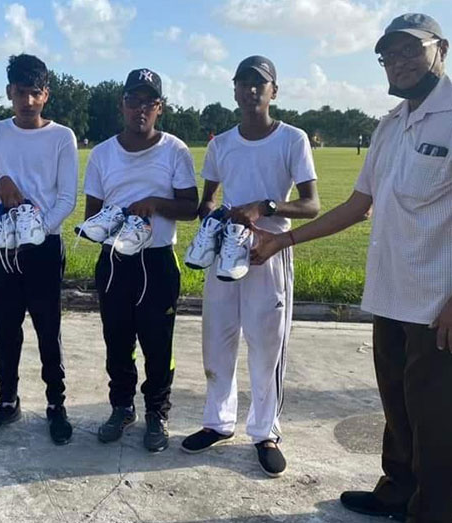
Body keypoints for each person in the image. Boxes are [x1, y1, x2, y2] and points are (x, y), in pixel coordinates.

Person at [253, 13, 452, 522]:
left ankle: (431, 514)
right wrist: (284, 240)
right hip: (392, 294)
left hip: (445, 301)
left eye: (412, 50)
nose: (400, 62)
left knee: (439, 420)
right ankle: (396, 492)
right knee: (400, 408)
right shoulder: (389, 126)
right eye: (390, 53)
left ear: (441, 50)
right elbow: (357, 205)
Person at [181, 56, 319, 478]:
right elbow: (209, 199)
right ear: (235, 89)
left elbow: (312, 205)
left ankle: (264, 432)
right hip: (226, 250)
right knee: (217, 340)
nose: (251, 90)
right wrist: (210, 216)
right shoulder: (221, 143)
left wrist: (267, 206)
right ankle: (218, 422)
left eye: (260, 83)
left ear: (274, 91)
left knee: (266, 345)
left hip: (268, 250)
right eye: (243, 82)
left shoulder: (292, 139)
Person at [81, 68, 198, 452]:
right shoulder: (102, 153)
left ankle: (157, 413)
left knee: (157, 342)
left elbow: (189, 206)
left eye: (149, 102)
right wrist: (115, 219)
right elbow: (91, 215)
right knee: (117, 339)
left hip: (157, 261)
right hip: (115, 260)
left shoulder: (175, 150)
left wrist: (155, 204)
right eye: (133, 101)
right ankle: (121, 407)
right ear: (123, 105)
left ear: (159, 108)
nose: (140, 109)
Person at [0, 54, 78, 445]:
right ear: (9, 93)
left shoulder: (61, 137)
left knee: (48, 328)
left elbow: (67, 198)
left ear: (46, 94)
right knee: (5, 327)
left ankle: (56, 404)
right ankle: (7, 401)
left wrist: (35, 233)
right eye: (21, 93)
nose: (28, 101)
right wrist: (0, 182)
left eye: (36, 93)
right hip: (2, 246)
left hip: (43, 247)